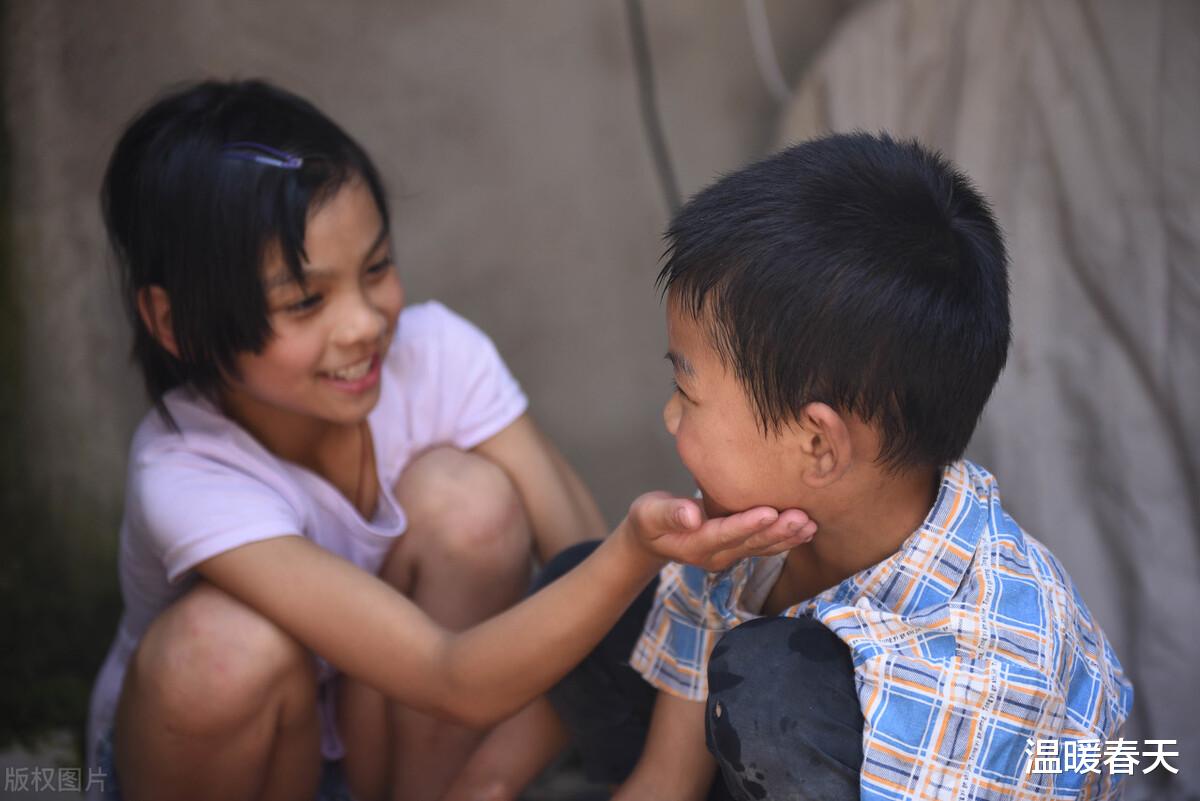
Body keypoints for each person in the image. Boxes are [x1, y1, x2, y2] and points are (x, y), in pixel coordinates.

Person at [85, 79, 818, 801]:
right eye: (305, 300)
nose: (364, 323)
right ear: (173, 323)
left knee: (468, 503)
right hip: (237, 759)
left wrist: (487, 781)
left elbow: (595, 609)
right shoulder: (186, 472)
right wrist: (634, 552)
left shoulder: (435, 354)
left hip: (401, 748)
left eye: (376, 268)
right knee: (220, 651)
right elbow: (449, 670)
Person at [446, 132, 1135, 801]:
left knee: (771, 684)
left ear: (817, 445)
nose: (669, 415)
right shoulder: (746, 526)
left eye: (687, 393)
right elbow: (664, 781)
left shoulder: (987, 657)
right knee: (591, 588)